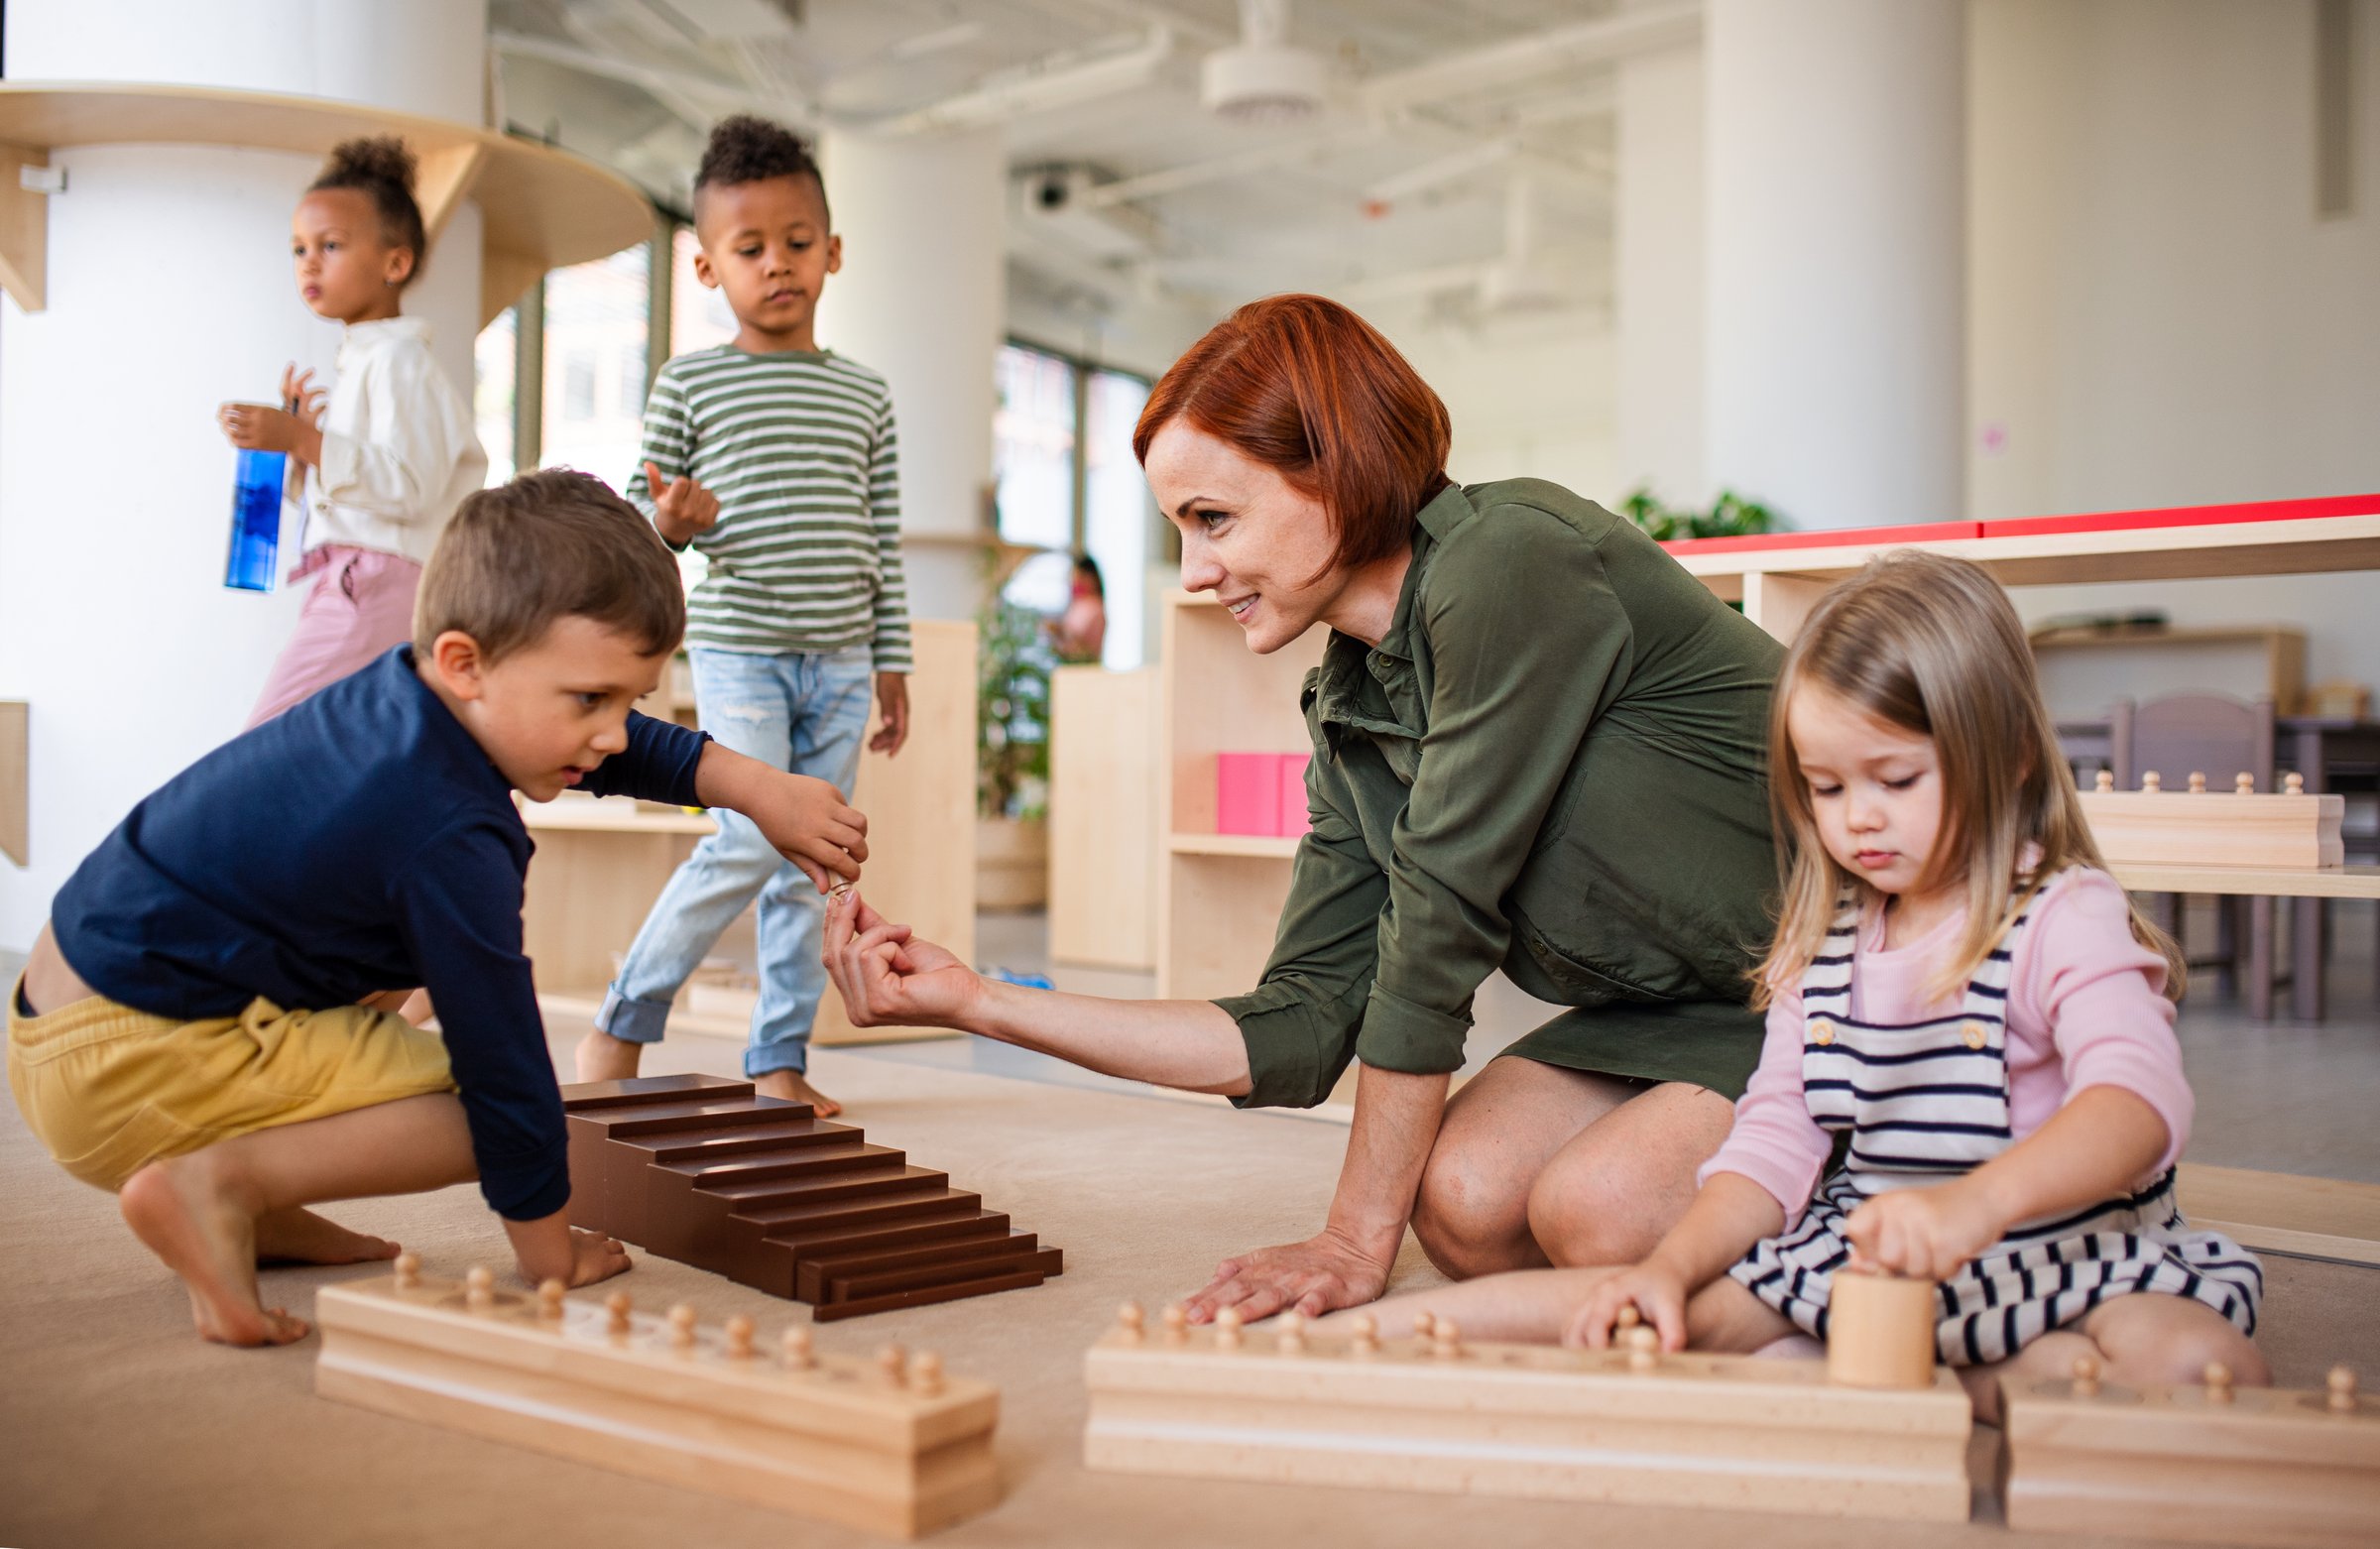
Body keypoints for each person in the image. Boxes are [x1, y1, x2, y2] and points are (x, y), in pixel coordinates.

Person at [826, 294, 1784, 1321]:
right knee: (1461, 1203)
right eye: (1180, 530)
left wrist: (1351, 1238)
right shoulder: (1350, 700)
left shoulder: (1509, 561)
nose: (1194, 572)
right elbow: (1304, 1019)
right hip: (1681, 1013)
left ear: (1336, 469)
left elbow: (1437, 932)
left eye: (1214, 519)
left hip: (1849, 986)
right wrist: (983, 1001)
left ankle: (1947, 1165)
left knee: (1599, 1211)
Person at [1350, 551, 2265, 1422]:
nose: (1857, 818)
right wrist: (1673, 1266)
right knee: (1654, 1325)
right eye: (1825, 788)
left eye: (1896, 778)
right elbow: (1777, 1139)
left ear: (2013, 757)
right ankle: (1963, 1370)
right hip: (1868, 1262)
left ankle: (1937, 1368)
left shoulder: (2066, 915)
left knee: (2197, 1368)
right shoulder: (1823, 942)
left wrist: (1973, 1206)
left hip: (2068, 1254)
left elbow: (2136, 1104)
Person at [5, 471, 869, 1348]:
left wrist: (755, 786)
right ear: (465, 662)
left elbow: (595, 743)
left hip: (69, 1021)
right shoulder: (450, 829)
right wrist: (549, 1257)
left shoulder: (405, 699)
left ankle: (258, 1206)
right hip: (126, 1066)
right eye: (590, 702)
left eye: (629, 701)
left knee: (396, 972)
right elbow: (505, 1061)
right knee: (491, 1108)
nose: (613, 734)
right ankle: (216, 1183)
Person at [573, 116, 910, 1121]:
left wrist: (892, 663)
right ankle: (624, 1018)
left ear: (833, 251)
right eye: (749, 248)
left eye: (798, 243)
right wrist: (668, 522)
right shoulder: (689, 381)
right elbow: (642, 527)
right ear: (709, 266)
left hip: (845, 659)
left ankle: (778, 1058)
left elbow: (880, 537)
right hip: (740, 649)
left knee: (814, 860)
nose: (778, 265)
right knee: (750, 837)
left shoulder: (865, 395)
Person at [218, 135, 486, 729]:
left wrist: (302, 440)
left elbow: (408, 487)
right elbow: (361, 488)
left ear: (396, 263)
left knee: (270, 741)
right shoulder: (367, 363)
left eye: (331, 245)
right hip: (358, 578)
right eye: (299, 248)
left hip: (377, 580)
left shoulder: (399, 363)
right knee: (359, 752)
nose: (309, 262)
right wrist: (301, 448)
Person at [1048, 553, 1108, 663]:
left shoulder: (1096, 609)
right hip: (1068, 665)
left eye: (1079, 577)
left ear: (1092, 578)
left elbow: (1086, 648)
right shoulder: (1076, 606)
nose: (1075, 582)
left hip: (1085, 667)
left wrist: (1063, 632)